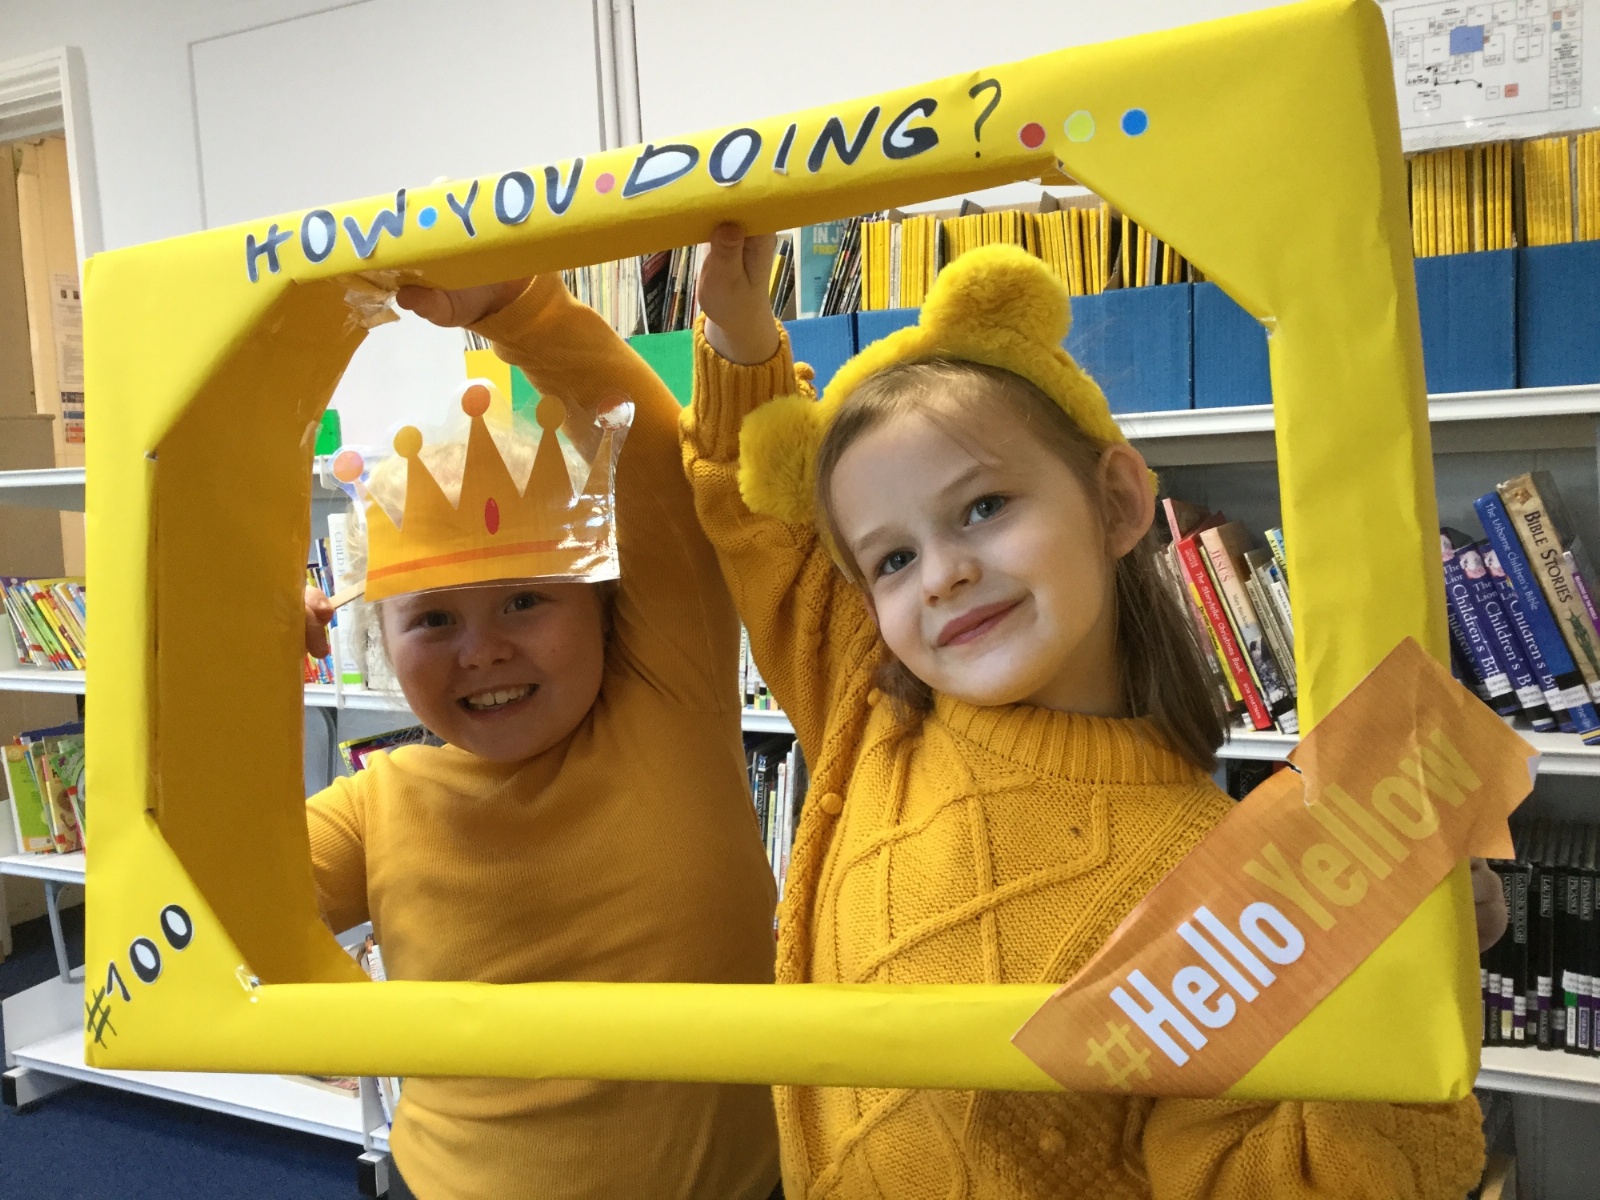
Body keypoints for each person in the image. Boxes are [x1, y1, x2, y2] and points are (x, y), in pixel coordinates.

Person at [681, 224, 1491, 1199]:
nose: (941, 574)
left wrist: (1398, 980)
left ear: (1115, 503)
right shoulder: (871, 704)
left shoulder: (1222, 889)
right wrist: (737, 332)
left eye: (983, 506)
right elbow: (762, 519)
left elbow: (1262, 1177)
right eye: (892, 558)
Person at [302, 274, 781, 1200]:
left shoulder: (669, 698)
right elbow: (211, 903)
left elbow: (649, 457)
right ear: (383, 646)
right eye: (432, 620)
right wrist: (236, 672)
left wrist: (515, 307)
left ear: (603, 607)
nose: (483, 650)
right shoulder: (377, 806)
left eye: (525, 600)